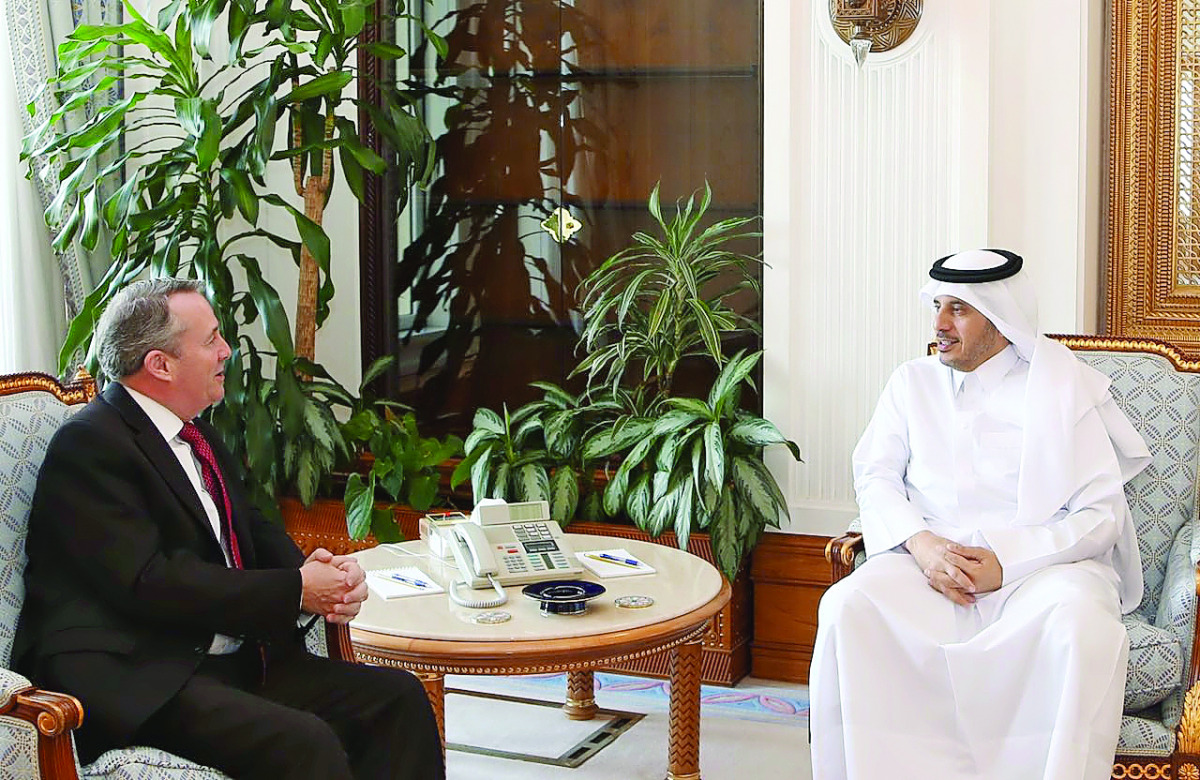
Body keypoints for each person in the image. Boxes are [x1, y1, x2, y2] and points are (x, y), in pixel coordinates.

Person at [12, 278, 445, 780]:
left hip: (221, 657)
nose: (227, 351)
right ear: (160, 364)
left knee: (397, 698)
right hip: (140, 674)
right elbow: (151, 581)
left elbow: (251, 524)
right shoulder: (89, 447)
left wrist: (312, 572)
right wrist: (296, 590)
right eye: (211, 339)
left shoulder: (193, 430)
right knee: (306, 744)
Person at [809, 249, 1151, 779]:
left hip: (1039, 573)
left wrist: (1006, 562)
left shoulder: (1061, 387)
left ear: (1002, 316)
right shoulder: (911, 383)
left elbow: (1099, 514)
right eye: (938, 307)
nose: (939, 325)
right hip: (927, 565)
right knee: (845, 607)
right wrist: (922, 548)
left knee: (1081, 625)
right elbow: (873, 476)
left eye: (959, 310)